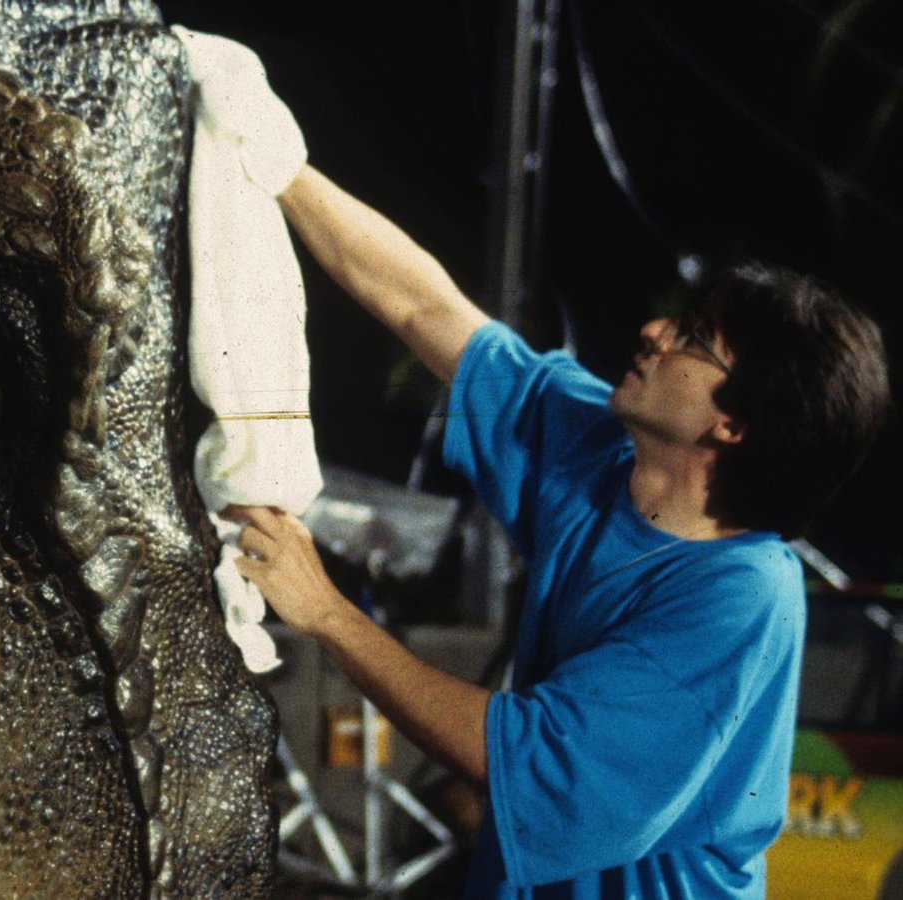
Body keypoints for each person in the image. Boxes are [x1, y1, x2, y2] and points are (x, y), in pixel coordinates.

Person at [176, 29, 893, 899]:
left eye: (694, 339)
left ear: (734, 424)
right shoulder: (596, 445)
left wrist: (325, 611)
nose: (654, 332)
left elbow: (529, 757)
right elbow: (424, 307)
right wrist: (273, 157)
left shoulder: (738, 598)